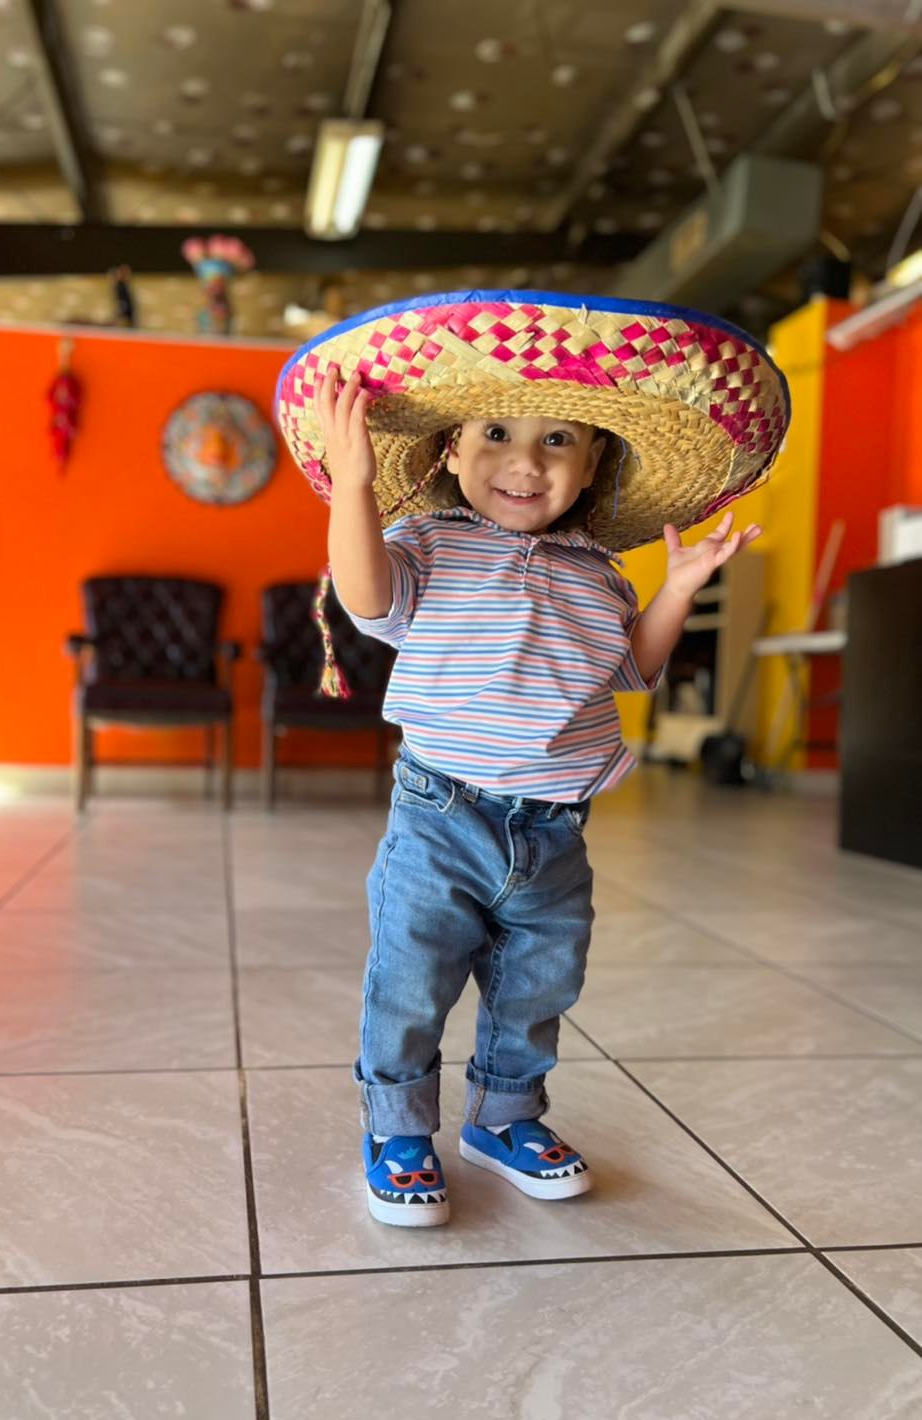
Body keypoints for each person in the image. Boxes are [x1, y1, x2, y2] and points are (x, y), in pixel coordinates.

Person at [276, 291, 788, 1228]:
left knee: (541, 981)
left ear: (593, 465)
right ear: (449, 451)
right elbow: (367, 600)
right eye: (498, 433)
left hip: (555, 828)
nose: (526, 460)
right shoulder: (427, 542)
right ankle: (397, 1128)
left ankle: (504, 1118)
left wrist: (675, 591)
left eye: (559, 440)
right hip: (441, 815)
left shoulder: (601, 573)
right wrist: (353, 486)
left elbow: (632, 668)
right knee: (411, 979)